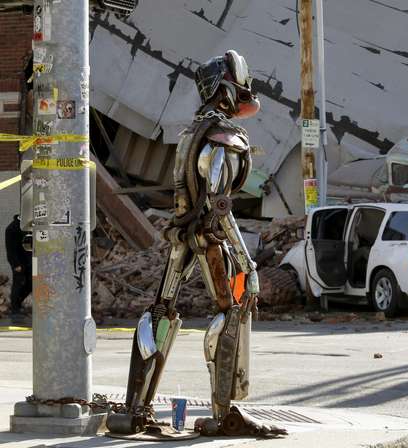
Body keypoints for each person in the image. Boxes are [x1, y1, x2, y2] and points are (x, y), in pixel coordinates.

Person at [106, 50, 283, 437]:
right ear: (226, 88)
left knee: (160, 311)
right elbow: (219, 204)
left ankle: (136, 410)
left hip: (180, 232)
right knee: (230, 310)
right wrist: (247, 262)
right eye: (240, 85)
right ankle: (224, 413)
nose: (246, 91)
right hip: (208, 236)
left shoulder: (190, 132)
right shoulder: (224, 136)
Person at [5, 214, 32, 319]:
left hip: (28, 261)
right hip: (18, 262)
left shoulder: (28, 228)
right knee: (17, 284)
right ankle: (15, 309)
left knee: (30, 283)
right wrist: (15, 264)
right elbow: (10, 249)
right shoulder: (11, 228)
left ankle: (18, 303)